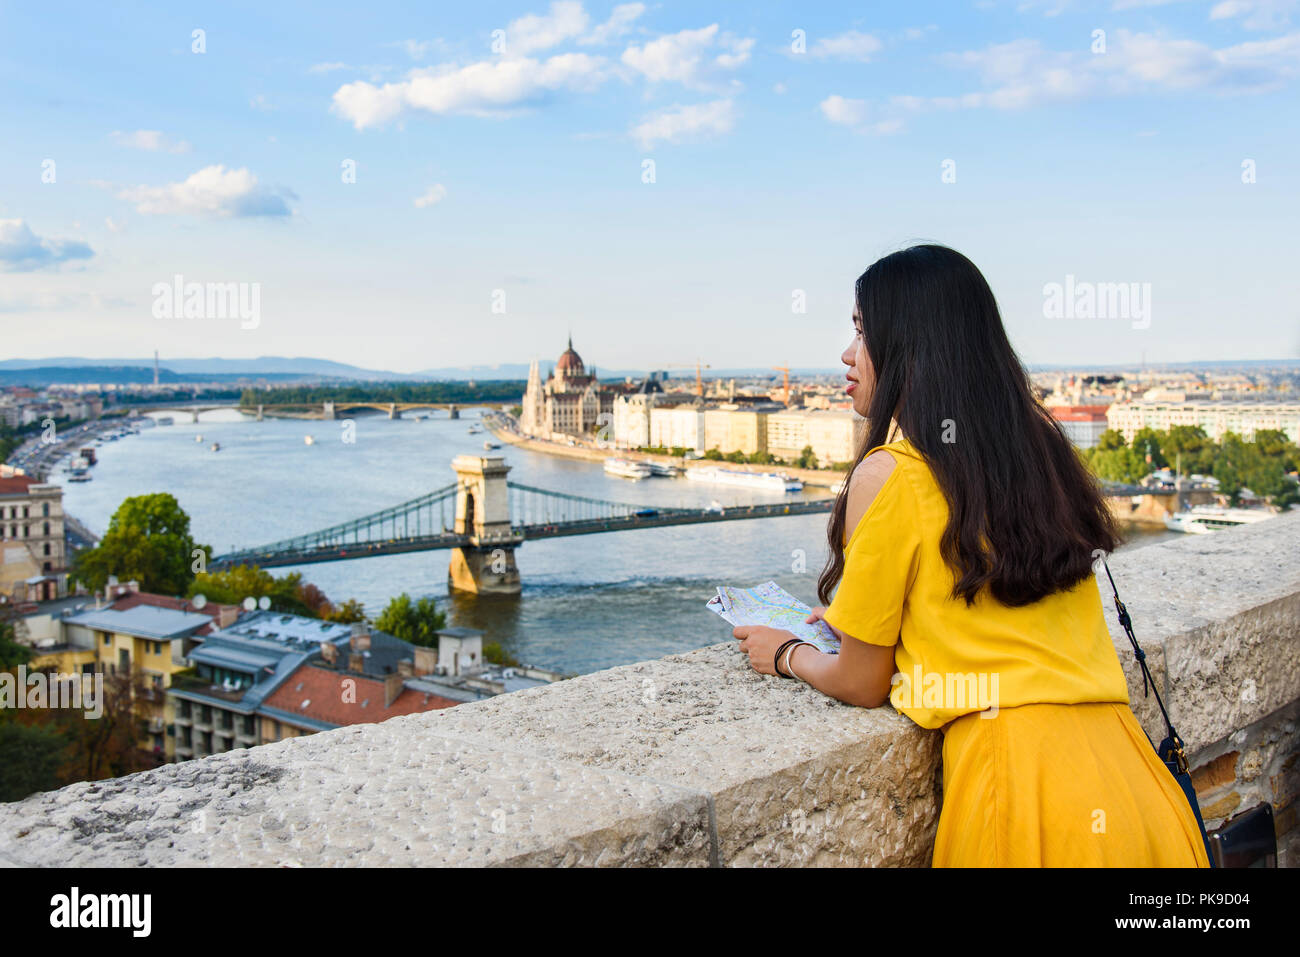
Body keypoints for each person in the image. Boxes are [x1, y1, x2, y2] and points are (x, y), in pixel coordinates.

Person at [733, 244, 1210, 867]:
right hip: (1136, 789)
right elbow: (991, 602)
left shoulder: (890, 475)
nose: (847, 354)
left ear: (909, 345)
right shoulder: (1039, 452)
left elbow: (860, 681)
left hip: (1018, 800)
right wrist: (866, 619)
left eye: (860, 330)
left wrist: (788, 654)